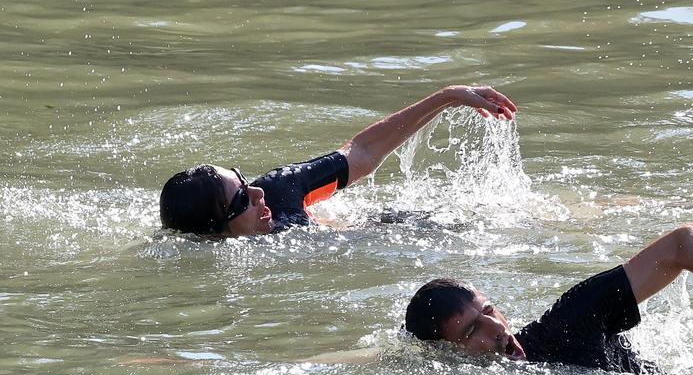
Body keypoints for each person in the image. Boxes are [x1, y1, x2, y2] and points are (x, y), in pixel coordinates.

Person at [404, 222, 693, 373]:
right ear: (446, 352)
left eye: (489, 310)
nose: (497, 328)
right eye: (472, 330)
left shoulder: (566, 324)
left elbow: (687, 241)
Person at [159, 85, 517, 236]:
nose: (257, 195)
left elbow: (362, 152)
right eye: (241, 200)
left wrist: (447, 97)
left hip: (396, 225)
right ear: (211, 231)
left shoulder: (279, 189)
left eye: (244, 182)